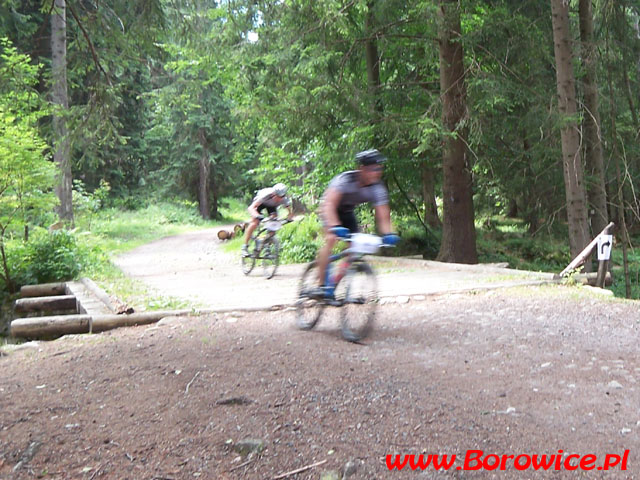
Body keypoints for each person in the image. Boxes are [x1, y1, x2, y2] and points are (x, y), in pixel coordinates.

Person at [312, 149, 399, 298]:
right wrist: (334, 226)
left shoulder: (378, 188)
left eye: (380, 169)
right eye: (374, 169)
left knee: (354, 250)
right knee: (331, 239)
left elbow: (383, 215)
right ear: (362, 168)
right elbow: (329, 205)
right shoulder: (345, 180)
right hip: (330, 209)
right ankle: (321, 285)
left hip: (347, 212)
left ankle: (333, 284)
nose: (378, 173)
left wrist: (388, 234)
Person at [242, 182, 294, 256]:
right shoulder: (265, 195)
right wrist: (257, 216)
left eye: (281, 197)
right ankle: (245, 247)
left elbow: (290, 212)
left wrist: (289, 218)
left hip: (271, 206)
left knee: (274, 223)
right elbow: (251, 208)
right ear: (274, 194)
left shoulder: (284, 198)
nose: (279, 200)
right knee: (254, 222)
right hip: (260, 204)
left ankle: (267, 249)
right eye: (278, 197)